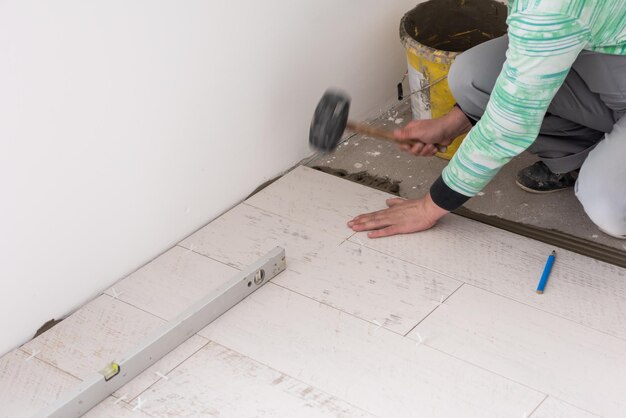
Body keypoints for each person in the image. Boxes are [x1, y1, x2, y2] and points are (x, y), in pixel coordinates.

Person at [348, 0, 626, 240]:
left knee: (608, 209)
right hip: (604, 60)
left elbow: (508, 126)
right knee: (473, 75)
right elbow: (527, 71)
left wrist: (428, 208)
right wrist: (454, 122)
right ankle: (587, 158)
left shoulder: (550, 9)